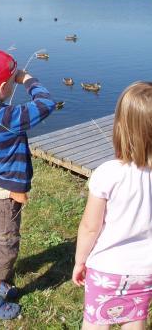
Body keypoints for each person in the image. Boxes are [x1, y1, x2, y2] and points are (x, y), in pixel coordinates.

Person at [0, 50, 56, 320]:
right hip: (2, 195)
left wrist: (5, 78)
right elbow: (46, 103)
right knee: (5, 248)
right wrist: (27, 79)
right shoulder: (7, 119)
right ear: (5, 87)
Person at [72, 82, 152, 329]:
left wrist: (79, 261)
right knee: (135, 319)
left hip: (107, 267)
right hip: (146, 269)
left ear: (121, 127)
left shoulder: (108, 173)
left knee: (96, 321)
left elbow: (90, 227)